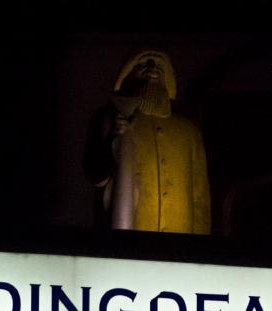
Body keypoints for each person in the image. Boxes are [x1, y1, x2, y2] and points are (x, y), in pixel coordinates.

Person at [83, 50, 211, 234]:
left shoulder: (188, 131)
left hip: (179, 246)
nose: (152, 69)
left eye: (159, 66)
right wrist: (114, 139)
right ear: (127, 74)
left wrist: (198, 248)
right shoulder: (109, 118)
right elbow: (95, 174)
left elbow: (200, 199)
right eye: (142, 65)